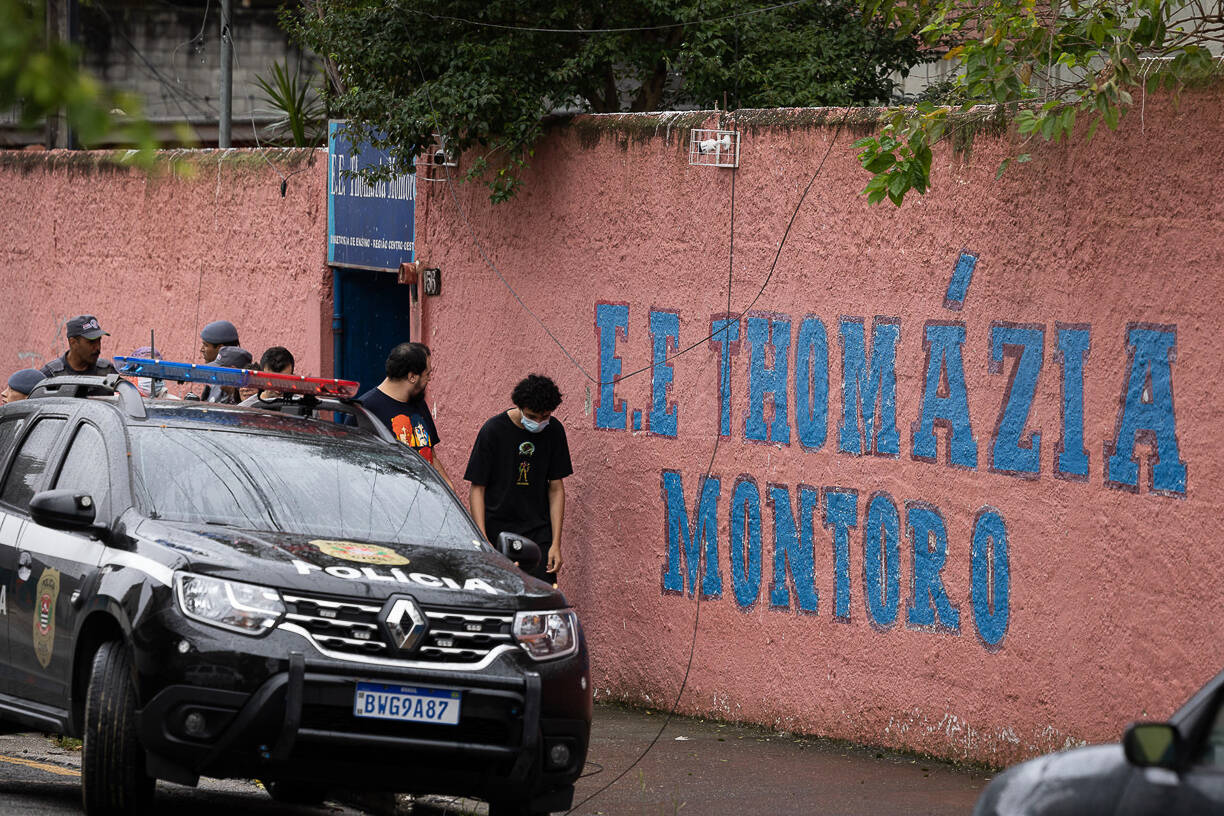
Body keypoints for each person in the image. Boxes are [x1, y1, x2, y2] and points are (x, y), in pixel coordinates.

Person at [463, 374, 572, 584]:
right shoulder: (492, 431)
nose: (538, 422)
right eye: (532, 416)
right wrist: (484, 541)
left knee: (539, 595)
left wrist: (555, 543)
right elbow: (477, 488)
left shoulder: (554, 431)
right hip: (497, 531)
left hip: (538, 533)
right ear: (520, 407)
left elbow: (556, 488)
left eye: (545, 416)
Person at [355, 342, 452, 487]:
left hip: (427, 502)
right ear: (412, 376)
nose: (430, 379)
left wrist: (448, 487)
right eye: (428, 374)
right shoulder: (365, 409)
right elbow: (354, 466)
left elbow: (430, 454)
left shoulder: (418, 403)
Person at [39, 315, 120, 379]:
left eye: (99, 341)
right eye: (91, 342)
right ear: (73, 342)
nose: (97, 348)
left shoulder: (108, 371)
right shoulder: (50, 376)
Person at [199, 319, 240, 401]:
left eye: (206, 345)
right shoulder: (216, 376)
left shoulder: (234, 381)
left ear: (220, 348)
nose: (201, 349)